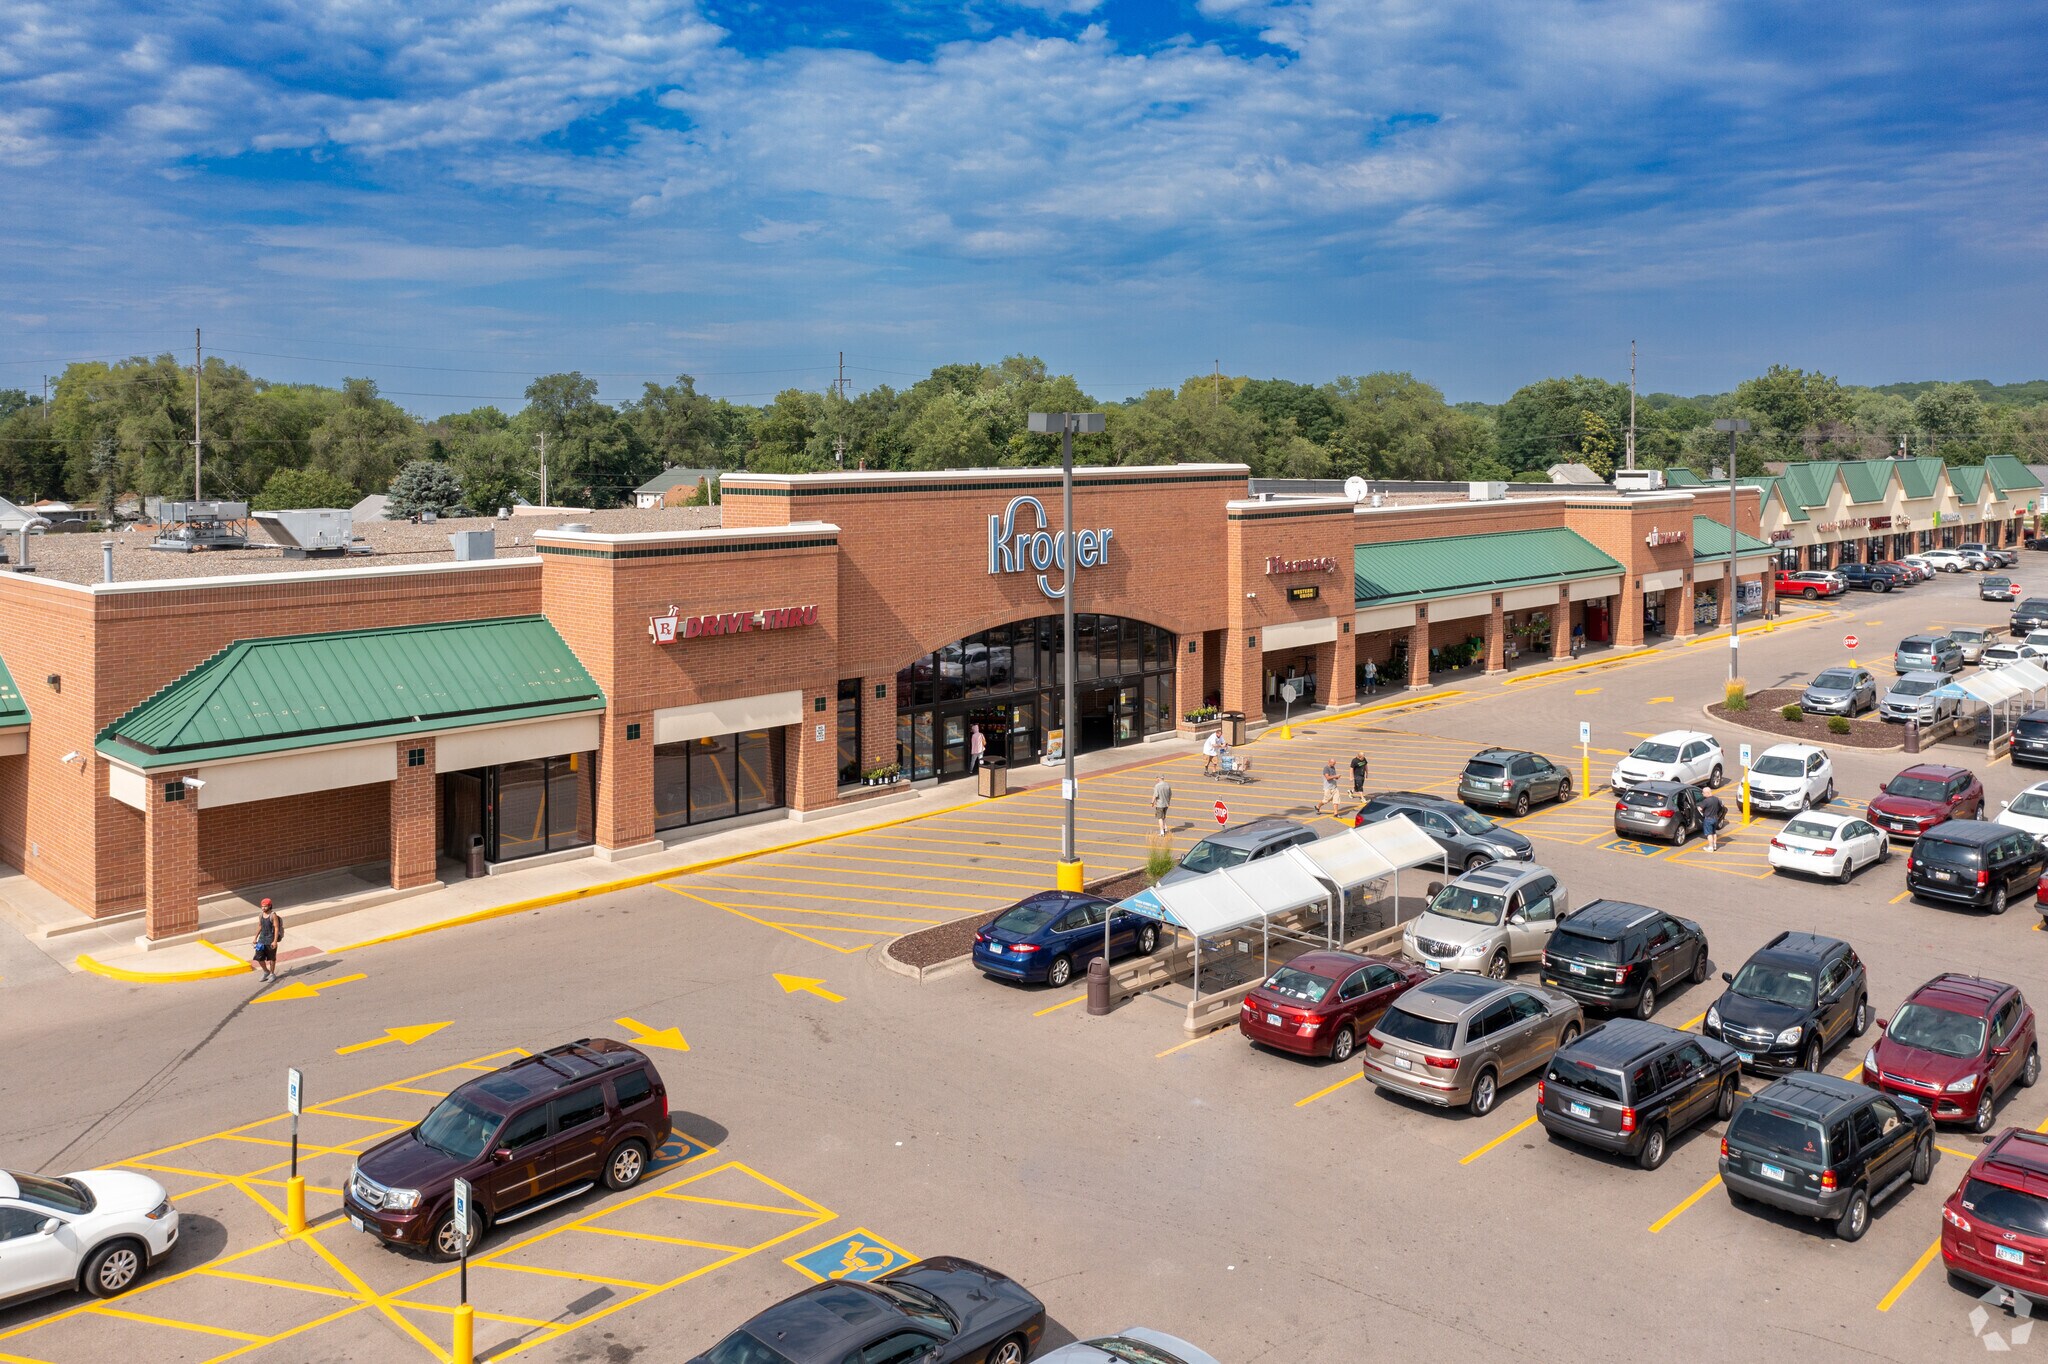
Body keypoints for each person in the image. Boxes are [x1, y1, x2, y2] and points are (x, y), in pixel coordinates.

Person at [253, 899, 282, 982]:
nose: (263, 908)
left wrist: (275, 941)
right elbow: (260, 926)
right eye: (262, 906)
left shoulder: (273, 915)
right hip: (261, 940)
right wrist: (255, 938)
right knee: (259, 957)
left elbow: (276, 928)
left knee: (272, 958)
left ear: (269, 906)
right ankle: (266, 971)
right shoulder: (261, 915)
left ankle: (272, 974)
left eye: (265, 906)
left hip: (270, 940)